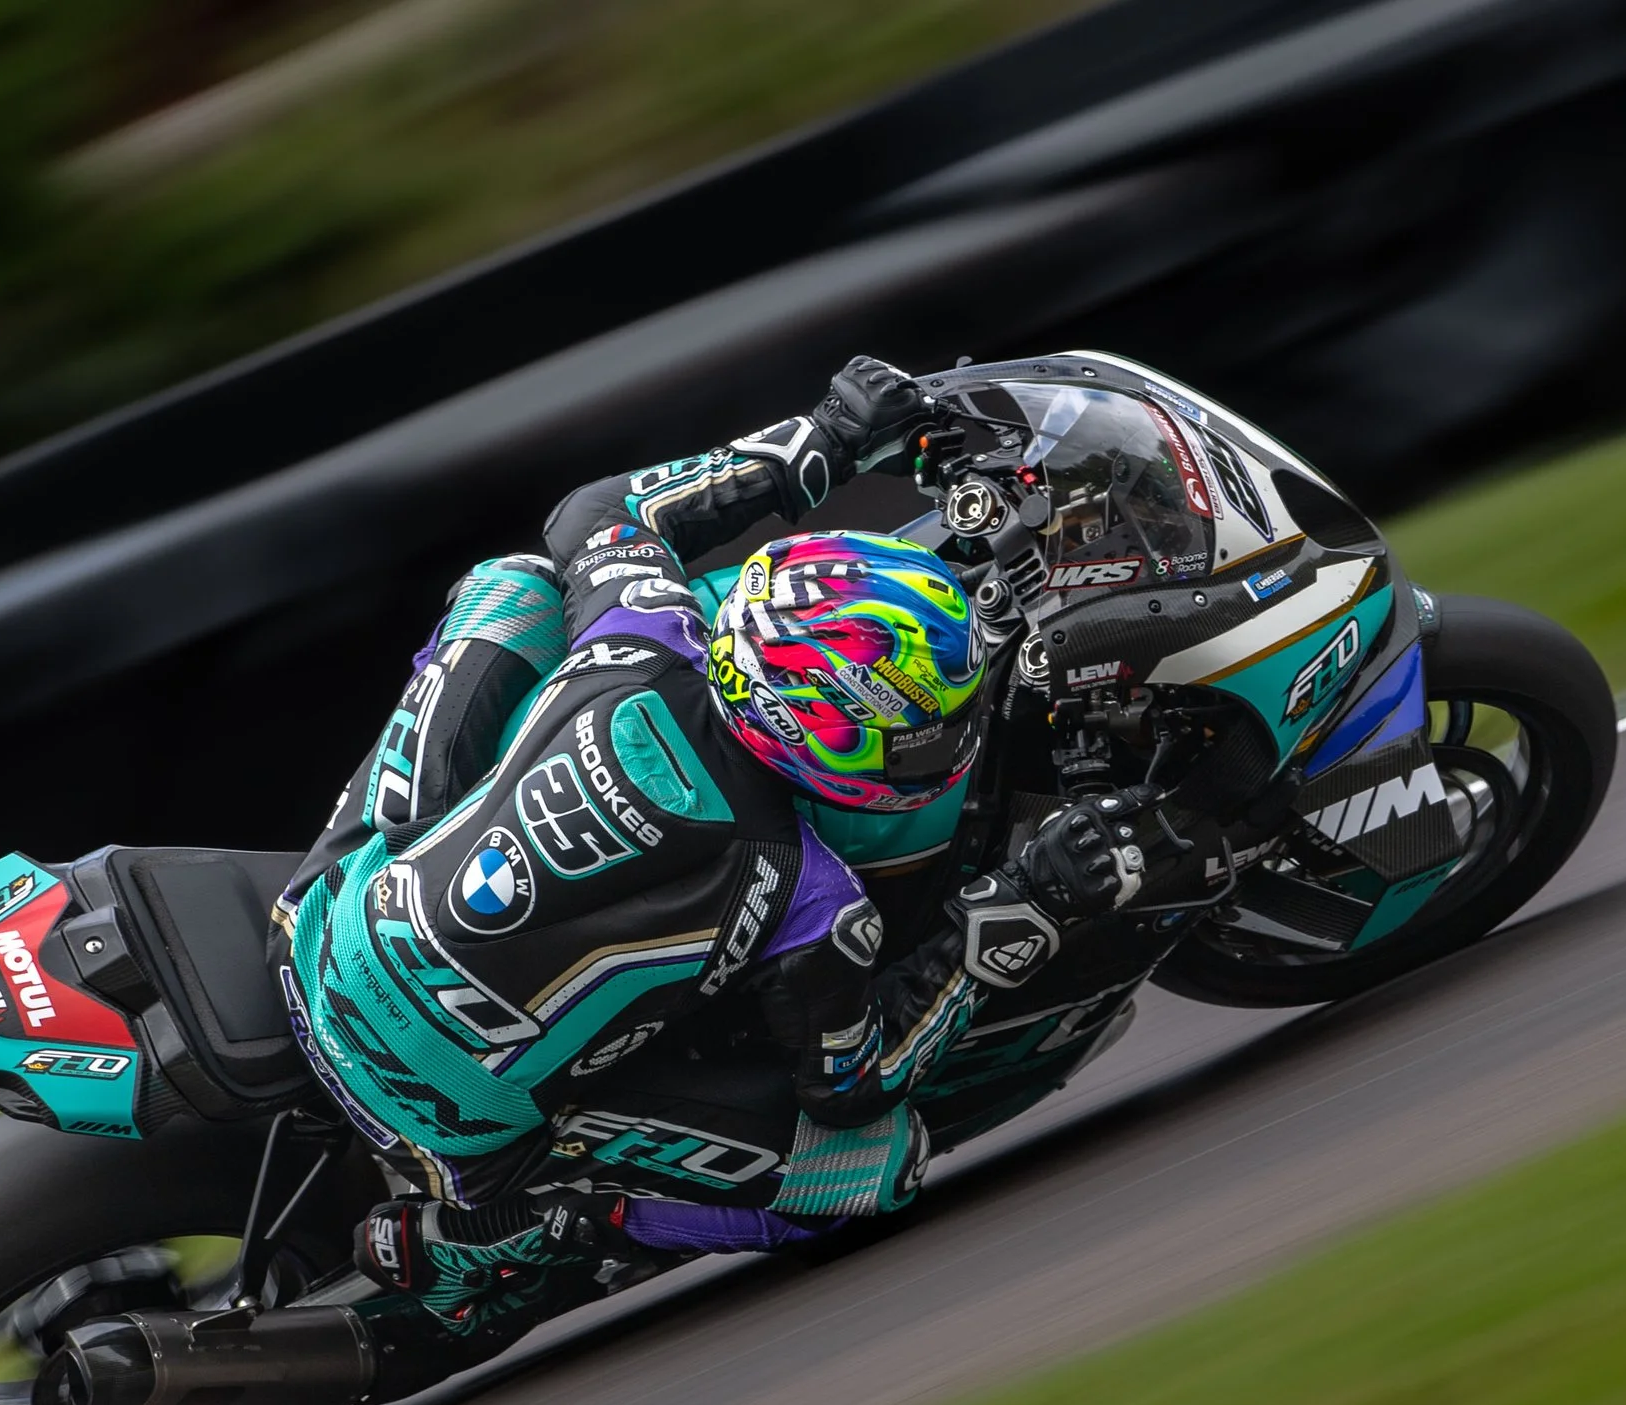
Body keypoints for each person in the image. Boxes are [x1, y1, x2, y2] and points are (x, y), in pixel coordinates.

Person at [274, 359, 1146, 1336]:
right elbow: (855, 1085)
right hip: (449, 1116)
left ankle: (340, 868)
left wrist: (818, 438)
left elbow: (595, 512)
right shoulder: (812, 896)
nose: (954, 738)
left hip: (319, 935)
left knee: (512, 586)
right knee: (875, 1167)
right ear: (823, 734)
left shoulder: (646, 630)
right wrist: (1027, 903)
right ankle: (506, 1229)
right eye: (924, 732)